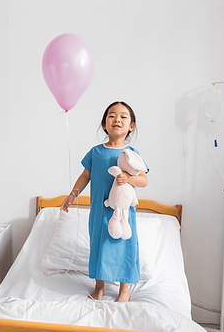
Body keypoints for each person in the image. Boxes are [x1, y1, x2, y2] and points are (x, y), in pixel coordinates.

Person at [60, 101, 148, 303]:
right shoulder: (96, 152)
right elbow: (85, 176)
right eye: (111, 115)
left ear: (131, 126)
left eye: (123, 116)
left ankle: (124, 289)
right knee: (99, 245)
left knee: (125, 246)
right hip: (100, 211)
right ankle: (100, 286)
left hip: (123, 213)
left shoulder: (132, 154)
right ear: (104, 124)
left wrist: (129, 178)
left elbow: (144, 179)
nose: (117, 119)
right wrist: (72, 194)